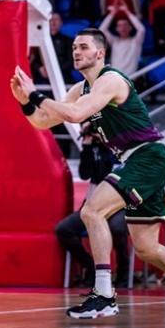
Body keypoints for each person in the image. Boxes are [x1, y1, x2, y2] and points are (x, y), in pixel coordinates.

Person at [10, 29, 165, 323]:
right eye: (75, 47)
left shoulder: (111, 80)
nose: (76, 51)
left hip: (147, 157)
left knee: (92, 211)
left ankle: (104, 295)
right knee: (148, 248)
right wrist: (25, 102)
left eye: (83, 47)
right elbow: (44, 121)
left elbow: (76, 116)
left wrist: (36, 94)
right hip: (138, 160)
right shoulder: (81, 90)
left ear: (100, 53)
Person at [56, 123, 130, 288]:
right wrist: (87, 147)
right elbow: (85, 174)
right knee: (64, 229)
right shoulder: (93, 147)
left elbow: (110, 172)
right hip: (92, 204)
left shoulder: (118, 145)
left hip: (116, 204)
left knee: (117, 228)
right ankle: (90, 268)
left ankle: (123, 272)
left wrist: (105, 143)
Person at [98, 4, 145, 75]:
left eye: (125, 25)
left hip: (129, 79)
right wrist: (112, 13)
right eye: (119, 26)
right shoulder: (114, 41)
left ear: (130, 28)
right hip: (114, 78)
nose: (123, 28)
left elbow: (141, 30)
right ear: (116, 29)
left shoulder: (135, 42)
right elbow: (101, 30)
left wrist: (127, 12)